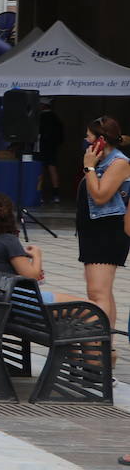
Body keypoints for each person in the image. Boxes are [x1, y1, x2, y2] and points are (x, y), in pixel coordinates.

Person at [77, 115, 130, 329]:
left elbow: (100, 196)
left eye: (89, 137)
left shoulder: (119, 163)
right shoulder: (103, 161)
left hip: (108, 233)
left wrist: (89, 168)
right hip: (93, 232)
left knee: (97, 293)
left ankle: (99, 349)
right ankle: (109, 347)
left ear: (101, 140)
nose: (86, 141)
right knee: (102, 291)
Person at [37, 99, 64, 203]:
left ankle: (39, 195)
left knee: (40, 171)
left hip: (41, 148)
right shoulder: (56, 119)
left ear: (43, 105)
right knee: (53, 169)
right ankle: (56, 195)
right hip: (52, 148)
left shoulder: (40, 118)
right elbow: (61, 136)